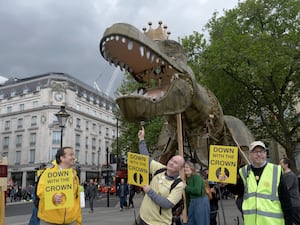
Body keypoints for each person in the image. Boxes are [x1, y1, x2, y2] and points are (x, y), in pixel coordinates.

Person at [225, 141, 292, 225]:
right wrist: (226, 183)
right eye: (255, 152)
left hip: (272, 222)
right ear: (250, 154)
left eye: (261, 151)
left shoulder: (276, 170)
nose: (258, 154)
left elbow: (285, 200)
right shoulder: (244, 171)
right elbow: (238, 191)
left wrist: (288, 222)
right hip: (251, 222)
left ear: (265, 153)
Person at [137, 126, 185, 225]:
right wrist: (142, 140)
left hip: (158, 223)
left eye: (176, 163)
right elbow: (146, 159)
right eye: (172, 160)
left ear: (180, 169)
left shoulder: (179, 184)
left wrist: (149, 191)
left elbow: (167, 204)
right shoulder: (160, 169)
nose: (172, 163)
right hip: (143, 218)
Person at [37, 147, 82, 225]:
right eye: (71, 155)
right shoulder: (48, 172)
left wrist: (78, 221)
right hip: (50, 221)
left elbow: (77, 200)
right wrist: (52, 197)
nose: (74, 157)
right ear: (62, 158)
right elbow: (40, 191)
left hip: (70, 221)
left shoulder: (75, 176)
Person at [279, 158, 300, 225]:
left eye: (281, 163)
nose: (279, 165)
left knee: (296, 222)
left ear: (286, 165)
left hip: (293, 204)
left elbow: (285, 189)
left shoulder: (290, 175)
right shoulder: (283, 175)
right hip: (289, 203)